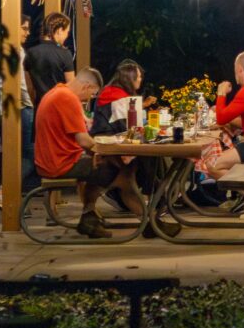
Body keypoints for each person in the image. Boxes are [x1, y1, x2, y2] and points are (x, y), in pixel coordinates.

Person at [33, 67, 146, 239]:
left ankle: (89, 217)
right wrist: (99, 151)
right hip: (61, 163)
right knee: (122, 170)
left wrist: (96, 152)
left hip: (52, 160)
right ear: (86, 87)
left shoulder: (56, 92)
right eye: (92, 94)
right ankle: (149, 223)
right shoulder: (67, 98)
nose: (90, 99)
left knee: (105, 166)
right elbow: (84, 141)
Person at [25, 12, 76, 109]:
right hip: (59, 107)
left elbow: (29, 87)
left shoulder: (31, 53)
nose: (66, 36)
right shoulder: (65, 54)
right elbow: (72, 86)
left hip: (40, 107)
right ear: (60, 30)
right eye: (67, 32)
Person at [92, 59, 154, 137]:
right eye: (139, 77)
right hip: (110, 144)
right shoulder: (120, 98)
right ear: (130, 79)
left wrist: (143, 105)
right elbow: (130, 131)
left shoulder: (108, 91)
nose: (140, 79)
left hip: (100, 138)